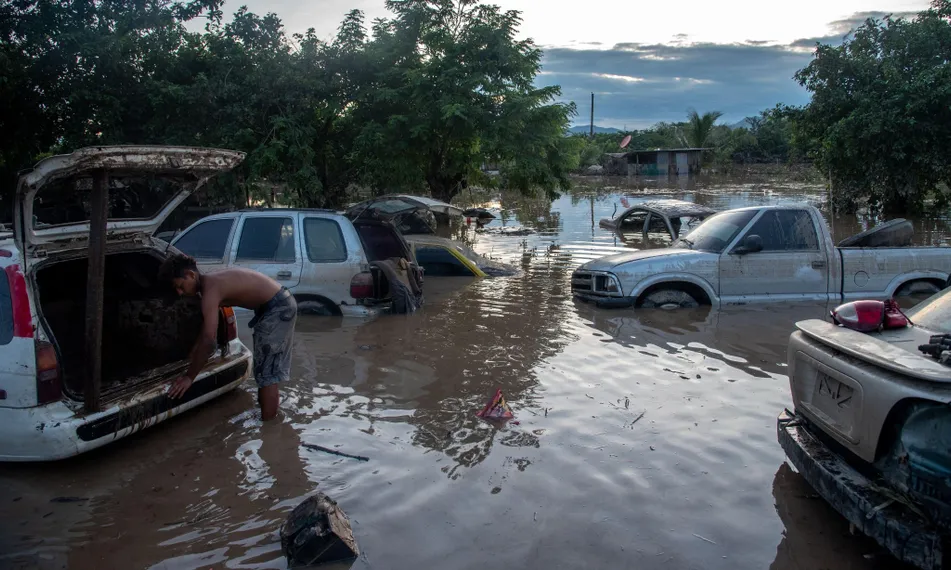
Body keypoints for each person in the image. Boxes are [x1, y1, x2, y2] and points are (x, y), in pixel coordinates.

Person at [158, 253, 297, 421]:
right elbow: (206, 331)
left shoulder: (210, 290)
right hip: (274, 305)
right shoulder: (209, 283)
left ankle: (269, 428)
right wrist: (193, 353)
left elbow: (209, 341)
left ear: (191, 275)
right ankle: (266, 416)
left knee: (267, 374)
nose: (180, 292)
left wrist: (189, 377)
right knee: (262, 370)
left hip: (277, 307)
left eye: (180, 286)